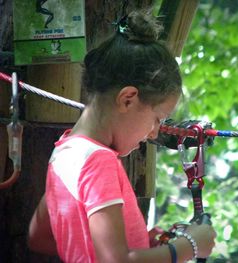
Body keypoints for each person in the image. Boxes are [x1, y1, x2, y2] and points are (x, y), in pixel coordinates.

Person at [28, 9, 216, 263]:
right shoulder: (98, 162)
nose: (155, 132)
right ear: (128, 99)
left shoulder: (63, 153)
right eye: (157, 119)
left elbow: (39, 237)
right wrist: (188, 247)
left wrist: (140, 243)